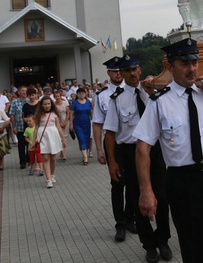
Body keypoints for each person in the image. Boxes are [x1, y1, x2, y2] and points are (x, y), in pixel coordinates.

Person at [134, 38, 203, 262]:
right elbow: (143, 147)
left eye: (194, 62)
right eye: (184, 63)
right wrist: (146, 191)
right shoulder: (159, 102)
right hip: (183, 182)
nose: (192, 68)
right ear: (170, 66)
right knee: (193, 250)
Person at [104, 55, 172, 263]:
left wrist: (151, 90)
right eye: (127, 71)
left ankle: (163, 240)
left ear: (140, 69)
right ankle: (149, 244)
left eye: (135, 69)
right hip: (130, 153)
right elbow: (110, 133)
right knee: (137, 199)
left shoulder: (154, 92)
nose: (132, 73)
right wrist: (112, 162)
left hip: (155, 151)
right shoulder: (117, 99)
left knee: (161, 196)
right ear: (121, 74)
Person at [92, 57, 135, 242]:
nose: (118, 73)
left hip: (132, 144)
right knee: (117, 185)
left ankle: (131, 217)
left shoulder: (133, 91)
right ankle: (120, 224)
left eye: (121, 70)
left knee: (134, 184)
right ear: (108, 73)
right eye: (114, 70)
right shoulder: (102, 96)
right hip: (113, 145)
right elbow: (97, 124)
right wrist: (99, 150)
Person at [33, 97, 66, 188]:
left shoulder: (54, 114)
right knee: (46, 158)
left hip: (53, 136)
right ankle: (48, 180)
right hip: (43, 136)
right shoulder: (39, 115)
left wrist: (63, 139)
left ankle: (52, 175)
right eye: (45, 104)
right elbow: (36, 129)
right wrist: (33, 141)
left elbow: (59, 127)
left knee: (53, 158)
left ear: (51, 104)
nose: (47, 106)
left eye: (49, 104)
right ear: (41, 105)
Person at [69, 87, 93, 165]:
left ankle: (84, 154)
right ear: (77, 94)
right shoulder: (75, 103)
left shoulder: (88, 102)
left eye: (83, 93)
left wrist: (94, 122)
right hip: (78, 124)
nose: (81, 94)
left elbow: (91, 113)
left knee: (86, 139)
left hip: (87, 123)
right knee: (81, 139)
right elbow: (71, 114)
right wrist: (71, 124)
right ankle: (85, 158)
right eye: (80, 93)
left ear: (85, 93)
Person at [9, 88, 28, 169]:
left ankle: (29, 159)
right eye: (22, 91)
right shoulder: (14, 102)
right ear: (19, 92)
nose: (24, 92)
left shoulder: (29, 101)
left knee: (29, 145)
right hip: (19, 127)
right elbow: (12, 115)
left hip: (29, 127)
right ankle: (22, 162)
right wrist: (14, 126)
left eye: (25, 91)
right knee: (21, 146)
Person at [54, 90, 70, 160]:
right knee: (60, 137)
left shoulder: (65, 103)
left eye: (58, 96)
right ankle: (64, 154)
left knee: (65, 137)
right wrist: (59, 123)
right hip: (58, 121)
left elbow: (68, 113)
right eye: (56, 96)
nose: (57, 98)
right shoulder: (54, 105)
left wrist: (66, 122)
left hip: (65, 120)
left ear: (61, 96)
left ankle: (62, 151)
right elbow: (54, 114)